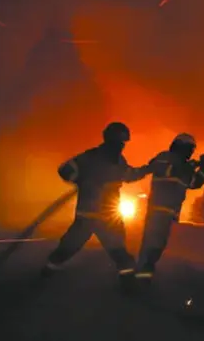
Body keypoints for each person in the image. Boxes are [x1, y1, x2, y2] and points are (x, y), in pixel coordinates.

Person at [42, 122, 149, 289]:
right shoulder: (90, 157)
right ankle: (46, 274)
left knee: (119, 252)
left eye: (123, 143)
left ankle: (128, 283)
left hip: (107, 217)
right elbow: (65, 169)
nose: (121, 146)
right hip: (89, 216)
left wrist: (148, 169)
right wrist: (80, 179)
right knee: (68, 248)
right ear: (110, 140)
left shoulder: (118, 161)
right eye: (120, 142)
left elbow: (130, 175)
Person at [135, 133, 204, 283]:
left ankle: (141, 276)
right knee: (153, 246)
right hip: (161, 211)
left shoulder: (179, 165)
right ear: (181, 147)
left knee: (153, 245)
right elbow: (171, 171)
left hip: (164, 212)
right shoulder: (170, 160)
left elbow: (193, 183)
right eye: (189, 149)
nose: (190, 153)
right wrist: (191, 167)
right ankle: (141, 278)